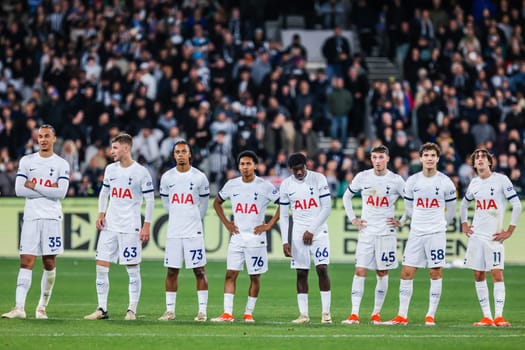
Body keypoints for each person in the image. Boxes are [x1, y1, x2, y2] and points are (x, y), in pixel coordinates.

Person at [2, 124, 70, 319]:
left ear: (54, 139)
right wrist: (48, 189)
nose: (43, 140)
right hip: (31, 217)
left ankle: (41, 307)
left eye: (47, 136)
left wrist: (34, 185)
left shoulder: (61, 164)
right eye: (40, 136)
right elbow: (19, 190)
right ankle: (19, 308)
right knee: (26, 261)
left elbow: (61, 193)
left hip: (51, 218)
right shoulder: (27, 161)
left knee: (49, 262)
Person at [84, 133, 154, 321]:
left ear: (126, 148)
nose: (111, 151)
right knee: (101, 266)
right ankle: (102, 309)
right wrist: (101, 213)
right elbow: (104, 193)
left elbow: (150, 200)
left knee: (132, 269)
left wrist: (146, 225)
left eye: (115, 148)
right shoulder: (110, 170)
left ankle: (131, 310)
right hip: (110, 226)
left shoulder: (141, 172)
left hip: (130, 227)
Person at [386, 142, 456, 326]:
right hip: (416, 233)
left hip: (436, 234)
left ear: (438, 158)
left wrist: (441, 226)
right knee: (406, 272)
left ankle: (430, 315)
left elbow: (451, 210)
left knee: (435, 272)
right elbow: (409, 208)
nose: (429, 158)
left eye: (433, 155)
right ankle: (402, 315)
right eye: (426, 155)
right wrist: (402, 221)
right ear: (421, 158)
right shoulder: (412, 181)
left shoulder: (445, 182)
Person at [211, 150, 280, 323]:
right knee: (230, 274)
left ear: (255, 166)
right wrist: (227, 223)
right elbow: (217, 202)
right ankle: (227, 314)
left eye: (249, 164)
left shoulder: (264, 186)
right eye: (242, 164)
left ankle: (248, 313)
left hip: (256, 239)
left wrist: (269, 225)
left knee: (254, 277)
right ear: (238, 166)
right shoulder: (232, 184)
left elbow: (283, 204)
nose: (245, 167)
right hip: (237, 237)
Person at [341, 145, 405, 325]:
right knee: (360, 270)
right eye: (374, 158)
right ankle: (354, 314)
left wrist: (403, 220)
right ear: (371, 159)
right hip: (367, 232)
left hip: (386, 233)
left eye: (380, 157)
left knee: (382, 272)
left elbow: (411, 201)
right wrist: (353, 218)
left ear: (387, 159)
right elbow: (347, 197)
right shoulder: (362, 177)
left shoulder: (396, 180)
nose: (377, 161)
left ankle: (376, 313)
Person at [460, 149, 522, 327]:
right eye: (477, 158)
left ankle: (499, 316)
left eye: (483, 157)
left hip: (494, 236)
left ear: (489, 162)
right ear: (473, 163)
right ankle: (487, 317)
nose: (479, 160)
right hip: (477, 235)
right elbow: (464, 204)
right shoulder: (474, 183)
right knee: (478, 274)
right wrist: (464, 224)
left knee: (496, 273)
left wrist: (510, 230)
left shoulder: (501, 180)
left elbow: (516, 205)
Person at [158, 140, 210, 322]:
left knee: (199, 270)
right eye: (177, 152)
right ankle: (170, 311)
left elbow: (204, 204)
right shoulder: (167, 177)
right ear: (173, 155)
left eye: (183, 151)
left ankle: (202, 311)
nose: (180, 154)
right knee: (172, 271)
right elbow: (166, 205)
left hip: (193, 232)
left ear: (190, 154)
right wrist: (178, 216)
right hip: (173, 232)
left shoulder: (199, 177)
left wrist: (194, 218)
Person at [279, 152, 333, 324]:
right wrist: (285, 241)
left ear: (306, 165)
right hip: (297, 234)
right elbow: (284, 215)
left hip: (318, 231)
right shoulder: (286, 185)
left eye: (301, 169)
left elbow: (327, 208)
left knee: (322, 269)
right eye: (295, 170)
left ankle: (326, 313)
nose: (299, 173)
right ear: (290, 170)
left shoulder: (319, 179)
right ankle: (304, 315)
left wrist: (311, 230)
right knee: (301, 272)